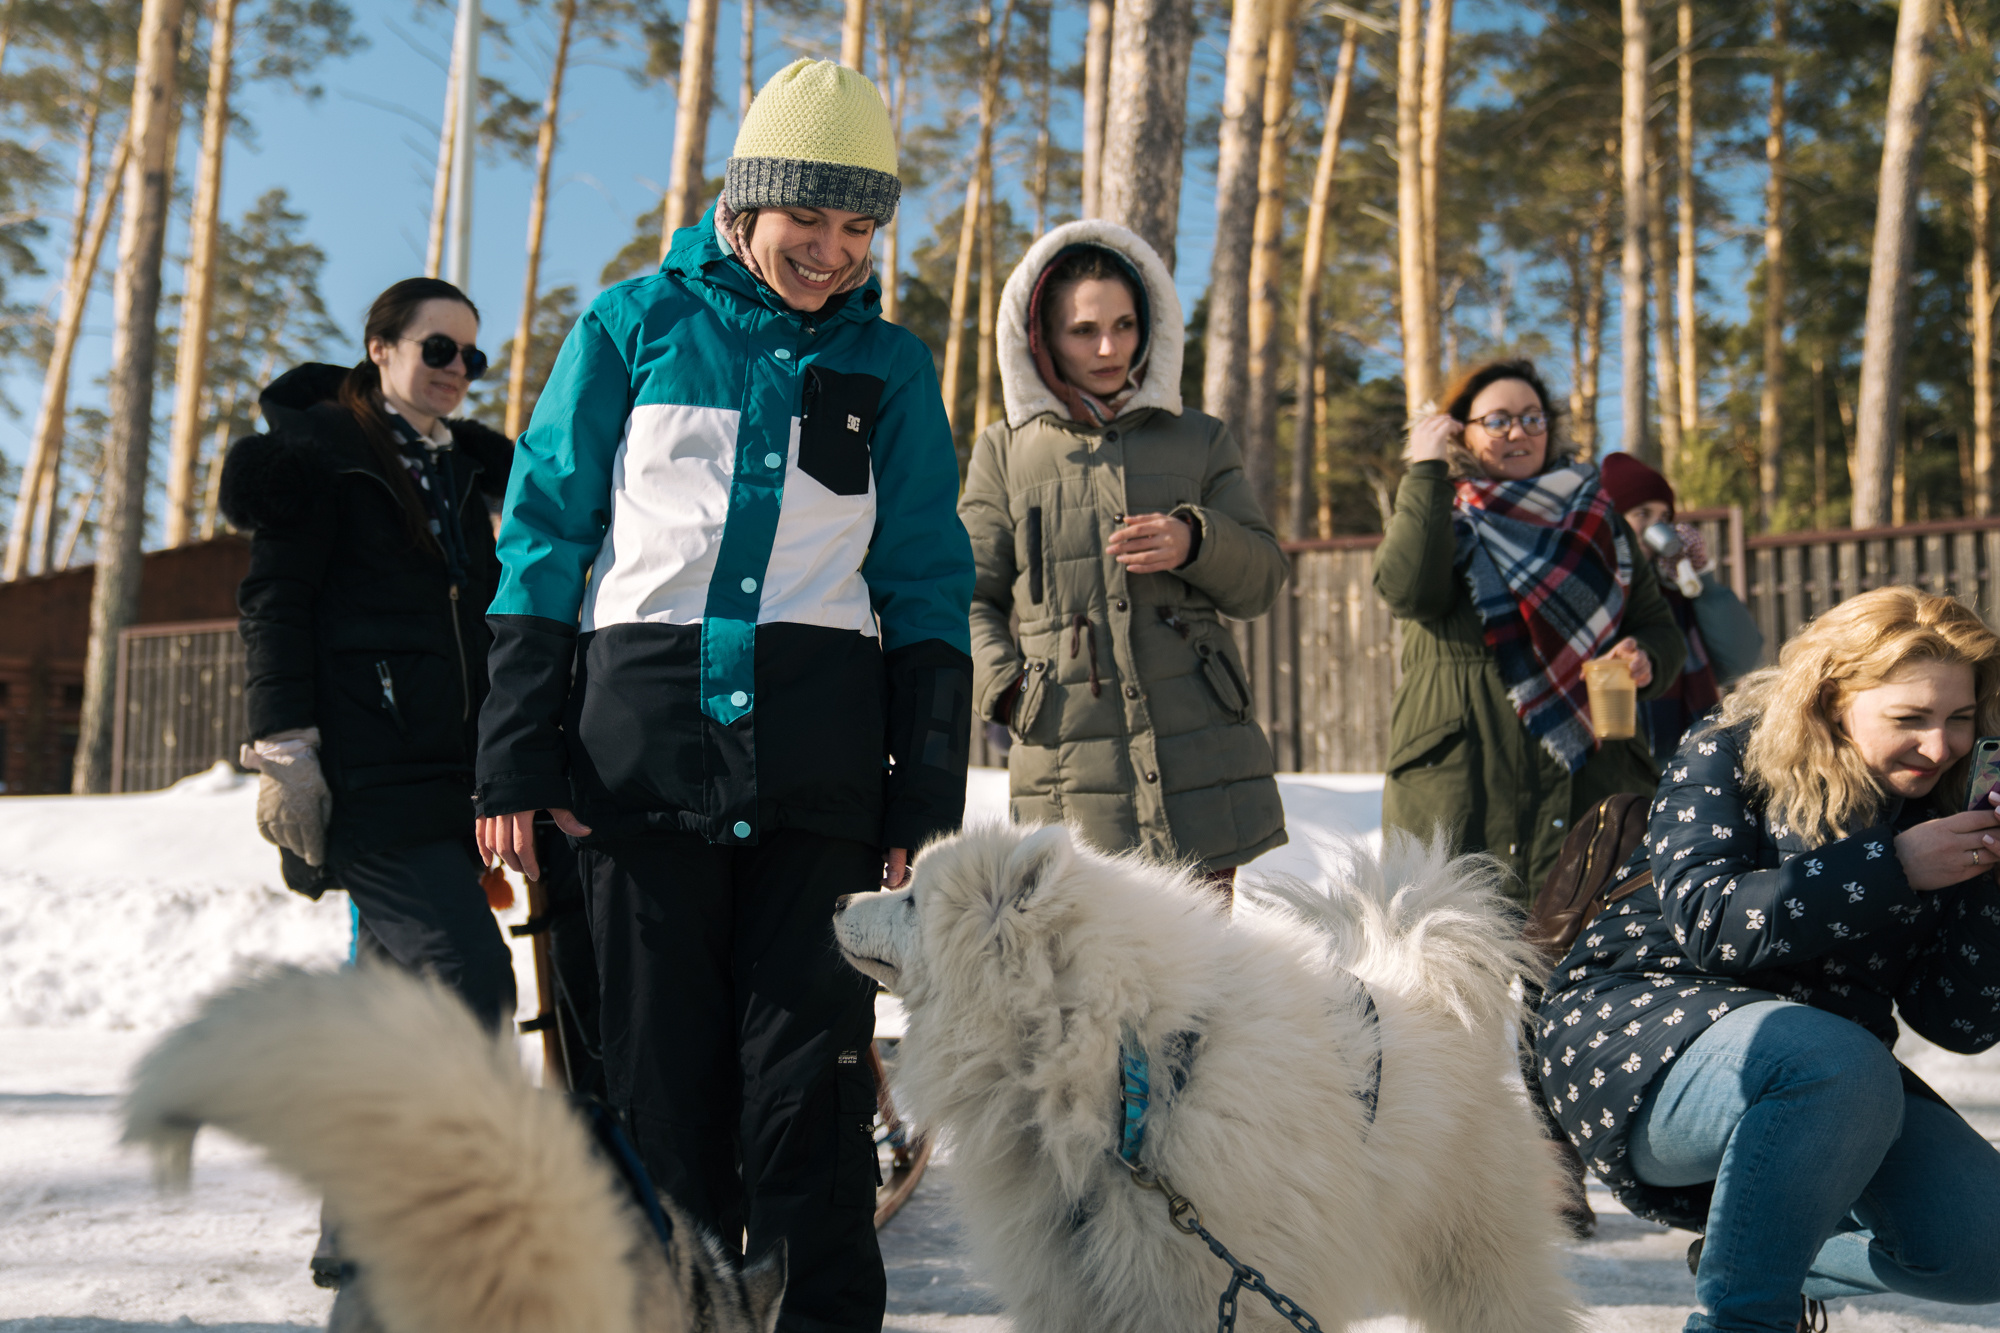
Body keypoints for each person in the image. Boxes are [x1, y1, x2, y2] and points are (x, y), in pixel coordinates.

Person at [472, 60, 974, 1333]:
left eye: (859, 228)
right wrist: (515, 762)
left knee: (805, 1097)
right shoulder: (630, 326)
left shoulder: (889, 368)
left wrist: (921, 793)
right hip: (635, 780)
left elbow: (922, 582)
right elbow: (543, 539)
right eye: (809, 220)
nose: (833, 251)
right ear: (742, 206)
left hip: (817, 785)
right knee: (652, 1101)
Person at [1536, 587, 2000, 1331]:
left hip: (1835, 1081)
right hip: (1641, 1034)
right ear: (1831, 700)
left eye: (1960, 718)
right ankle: (1742, 1318)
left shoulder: (1945, 801)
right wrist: (1893, 864)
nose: (1940, 746)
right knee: (1837, 1063)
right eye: (1910, 718)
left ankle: (1757, 1252)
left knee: (1981, 1246)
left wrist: (1992, 884)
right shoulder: (1732, 749)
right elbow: (1713, 921)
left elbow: (1957, 1020)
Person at [218, 276, 519, 1284]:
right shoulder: (320, 454)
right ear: (380, 348)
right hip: (370, 778)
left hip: (453, 778)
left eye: (473, 358)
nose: (457, 373)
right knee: (472, 981)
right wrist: (285, 749)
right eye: (438, 350)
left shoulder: (467, 475)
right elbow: (275, 599)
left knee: (389, 1004)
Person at [957, 220, 1288, 894]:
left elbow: (1261, 577)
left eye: (1126, 324)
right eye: (1084, 330)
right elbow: (964, 594)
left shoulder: (1198, 440)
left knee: (1199, 983)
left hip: (1199, 755)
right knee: (1088, 980)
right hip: (1068, 762)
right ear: (1042, 335)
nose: (1109, 347)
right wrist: (1011, 690)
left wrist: (1195, 542)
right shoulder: (1006, 450)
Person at [1374, 358, 1686, 898]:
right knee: (1454, 964)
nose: (1517, 432)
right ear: (1460, 432)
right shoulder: (1439, 514)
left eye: (1532, 418)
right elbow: (1408, 591)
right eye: (1497, 420)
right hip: (1465, 780)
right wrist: (1427, 472)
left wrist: (1647, 658)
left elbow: (1658, 627)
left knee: (1582, 958)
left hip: (1593, 775)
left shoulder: (1601, 518)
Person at [1599, 451, 1763, 758]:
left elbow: (1742, 659)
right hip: (1620, 761)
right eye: (1642, 514)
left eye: (1664, 518)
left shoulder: (1674, 594)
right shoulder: (1594, 590)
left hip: (1683, 765)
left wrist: (1702, 579)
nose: (1656, 527)